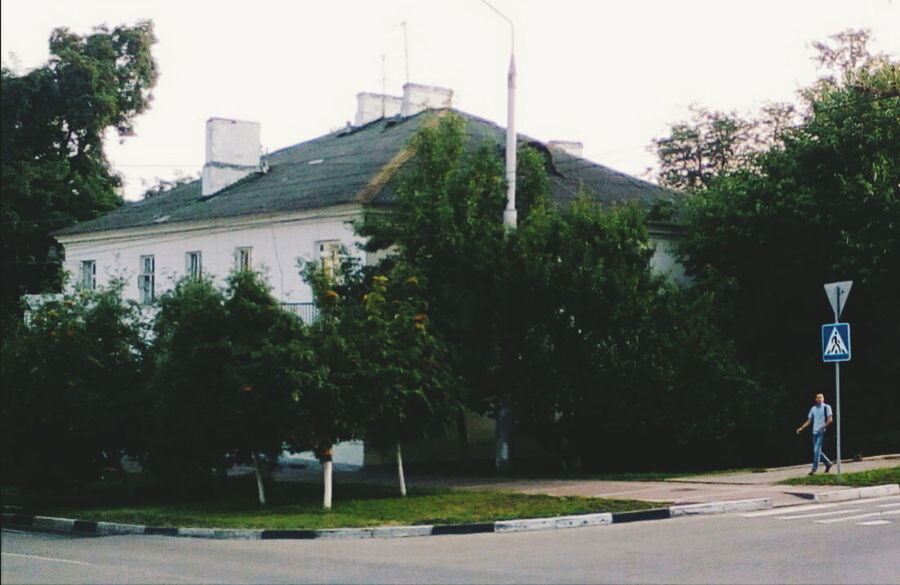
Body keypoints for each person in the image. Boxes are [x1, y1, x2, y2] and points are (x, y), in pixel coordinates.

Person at [796, 393, 834, 475]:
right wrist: (801, 427)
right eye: (817, 398)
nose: (819, 399)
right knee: (817, 451)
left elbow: (830, 419)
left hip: (822, 432)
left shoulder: (826, 407)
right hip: (814, 432)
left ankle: (814, 469)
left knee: (816, 450)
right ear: (815, 399)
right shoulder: (813, 409)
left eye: (821, 397)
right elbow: (809, 420)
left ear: (823, 398)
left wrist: (823, 426)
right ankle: (828, 463)